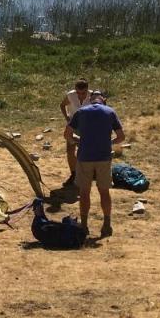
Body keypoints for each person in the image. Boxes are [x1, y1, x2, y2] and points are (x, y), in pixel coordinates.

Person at [64, 96, 126, 239]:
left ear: (91, 100)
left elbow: (67, 134)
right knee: (104, 191)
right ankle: (106, 224)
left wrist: (78, 140)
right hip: (103, 157)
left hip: (85, 156)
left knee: (84, 192)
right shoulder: (110, 112)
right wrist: (108, 142)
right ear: (103, 100)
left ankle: (84, 225)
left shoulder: (81, 111)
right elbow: (121, 136)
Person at [59, 79, 97, 187]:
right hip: (73, 126)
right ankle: (74, 174)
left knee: (86, 150)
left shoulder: (93, 96)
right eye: (78, 92)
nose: (80, 95)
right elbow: (62, 105)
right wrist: (67, 119)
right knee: (70, 150)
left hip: (88, 127)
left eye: (83, 92)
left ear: (87, 90)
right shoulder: (71, 95)